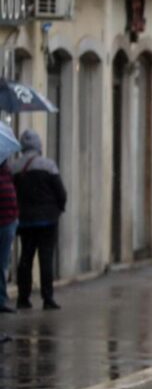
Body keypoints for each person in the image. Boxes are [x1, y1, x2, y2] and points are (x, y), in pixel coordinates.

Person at [13, 129, 66, 310]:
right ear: (38, 146)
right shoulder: (48, 165)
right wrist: (58, 209)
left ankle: (23, 297)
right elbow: (61, 192)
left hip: (25, 221)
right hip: (47, 221)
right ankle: (47, 298)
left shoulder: (15, 167)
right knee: (46, 258)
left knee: (25, 258)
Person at [0, 159, 18, 318]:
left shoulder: (7, 171)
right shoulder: (7, 172)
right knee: (2, 263)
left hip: (8, 222)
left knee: (3, 263)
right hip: (7, 221)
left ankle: (1, 299)